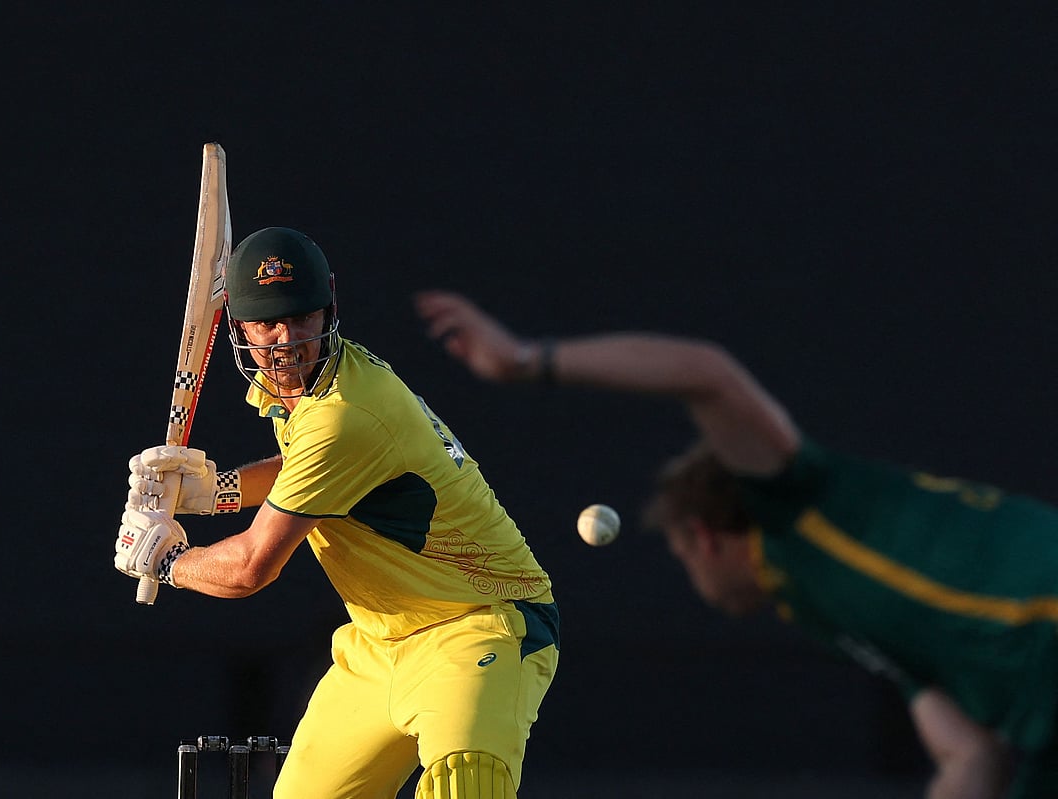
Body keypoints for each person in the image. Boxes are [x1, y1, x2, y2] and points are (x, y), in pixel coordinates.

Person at [414, 289, 1058, 799]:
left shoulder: (792, 504)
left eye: (681, 555)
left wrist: (526, 359)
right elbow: (970, 756)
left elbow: (707, 374)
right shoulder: (833, 607)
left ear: (704, 536)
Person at [114, 230, 560, 799]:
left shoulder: (347, 414)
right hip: (379, 643)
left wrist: (167, 559)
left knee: (465, 786)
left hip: (479, 626)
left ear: (328, 309)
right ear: (240, 330)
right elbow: (308, 469)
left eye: (302, 318)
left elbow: (252, 567)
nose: (287, 341)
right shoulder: (312, 393)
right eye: (267, 324)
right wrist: (215, 491)